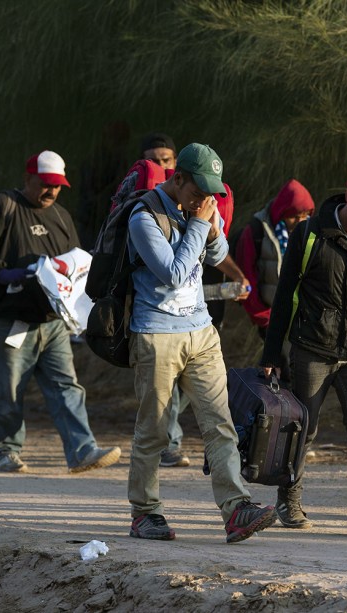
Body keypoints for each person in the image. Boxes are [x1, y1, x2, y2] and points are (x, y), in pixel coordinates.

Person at [125, 142, 274, 542]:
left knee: (220, 423)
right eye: (197, 191)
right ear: (177, 179)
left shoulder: (201, 209)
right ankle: (145, 512)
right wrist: (196, 226)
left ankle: (236, 509)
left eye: (212, 193)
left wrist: (209, 228)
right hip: (156, 334)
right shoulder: (143, 218)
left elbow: (217, 254)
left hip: (202, 332)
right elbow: (172, 273)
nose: (205, 199)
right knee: (154, 429)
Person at [0, 150, 122, 473]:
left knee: (67, 386)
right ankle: (5, 450)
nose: (51, 191)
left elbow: (75, 265)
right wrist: (0, 271)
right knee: (8, 387)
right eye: (45, 184)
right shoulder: (3, 205)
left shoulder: (60, 217)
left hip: (53, 323)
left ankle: (82, 450)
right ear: (27, 178)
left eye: (57, 186)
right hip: (11, 320)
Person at [261, 165, 347, 537]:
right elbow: (285, 297)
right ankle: (289, 502)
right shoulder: (310, 233)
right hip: (312, 350)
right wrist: (272, 355)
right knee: (303, 429)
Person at [234, 178, 315, 382]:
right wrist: (262, 316)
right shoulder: (257, 231)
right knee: (282, 372)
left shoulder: (311, 233)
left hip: (302, 318)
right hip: (270, 318)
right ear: (282, 213)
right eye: (294, 216)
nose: (300, 221)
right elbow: (246, 277)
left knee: (299, 375)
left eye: (306, 215)